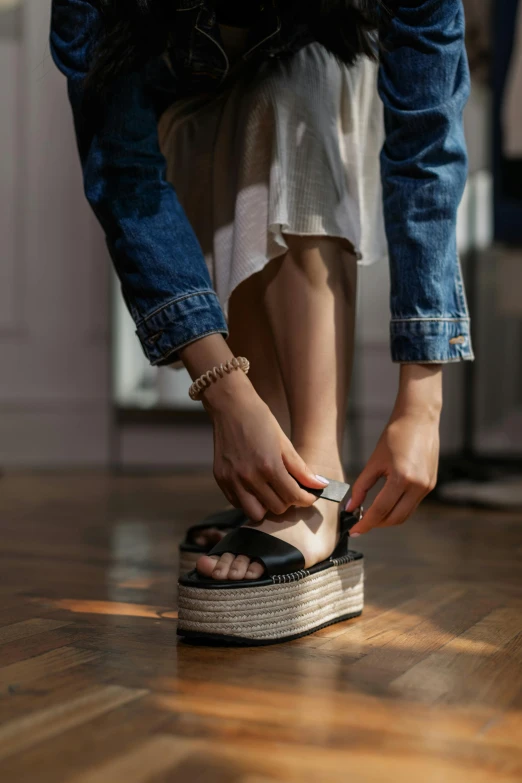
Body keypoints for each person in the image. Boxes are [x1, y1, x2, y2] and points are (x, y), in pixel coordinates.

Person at [50, 0, 473, 642]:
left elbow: (426, 149)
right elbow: (122, 171)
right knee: (227, 125)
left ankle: (310, 478)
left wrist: (422, 401)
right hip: (188, 104)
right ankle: (275, 479)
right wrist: (226, 396)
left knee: (285, 95)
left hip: (332, 84)